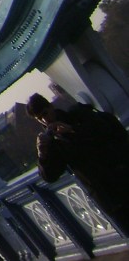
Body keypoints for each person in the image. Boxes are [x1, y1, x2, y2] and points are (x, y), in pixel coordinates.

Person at [27, 92, 129, 235]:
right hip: (106, 195)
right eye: (40, 118)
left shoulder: (77, 115)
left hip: (122, 176)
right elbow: (50, 176)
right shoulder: (52, 142)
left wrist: (73, 130)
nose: (45, 119)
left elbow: (105, 132)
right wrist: (42, 155)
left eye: (45, 113)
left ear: (51, 106)